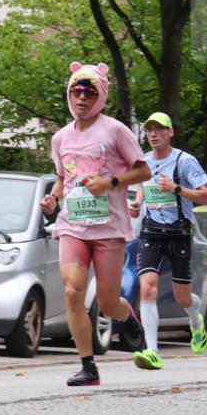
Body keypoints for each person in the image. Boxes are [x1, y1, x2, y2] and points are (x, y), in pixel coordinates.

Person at [40, 61, 151, 386]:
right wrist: (52, 197)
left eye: (89, 92)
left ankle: (126, 316)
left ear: (100, 96)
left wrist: (112, 183)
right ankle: (88, 366)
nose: (81, 98)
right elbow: (63, 179)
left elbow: (144, 171)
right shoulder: (60, 138)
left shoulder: (115, 130)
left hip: (109, 228)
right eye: (76, 91)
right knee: (73, 290)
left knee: (106, 302)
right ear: (69, 95)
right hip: (73, 225)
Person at [127, 112, 207, 369]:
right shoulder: (142, 161)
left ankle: (196, 321)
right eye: (149, 130)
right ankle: (152, 351)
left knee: (183, 297)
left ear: (170, 132)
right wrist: (138, 204)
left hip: (179, 233)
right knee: (148, 286)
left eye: (158, 129)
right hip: (151, 232)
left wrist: (175, 189)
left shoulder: (185, 162)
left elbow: (206, 197)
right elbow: (143, 185)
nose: (153, 134)